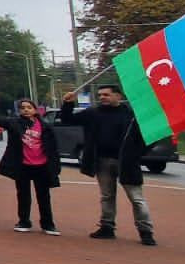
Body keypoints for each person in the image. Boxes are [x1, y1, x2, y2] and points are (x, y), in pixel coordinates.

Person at [62, 86, 154, 245]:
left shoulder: (132, 115)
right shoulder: (93, 113)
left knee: (136, 198)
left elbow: (151, 135)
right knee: (107, 196)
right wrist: (68, 104)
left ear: (118, 96)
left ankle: (145, 231)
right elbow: (68, 119)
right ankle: (107, 227)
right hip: (102, 161)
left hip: (127, 162)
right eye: (100, 95)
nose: (102, 97)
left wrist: (137, 153)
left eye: (106, 94)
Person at [0, 93, 60, 236]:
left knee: (44, 196)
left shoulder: (45, 127)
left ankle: (48, 224)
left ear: (35, 109)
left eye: (29, 107)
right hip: (23, 165)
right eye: (22, 108)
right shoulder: (14, 123)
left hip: (42, 166)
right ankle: (24, 221)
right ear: (19, 111)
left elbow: (53, 149)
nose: (26, 110)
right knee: (23, 195)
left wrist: (54, 166)